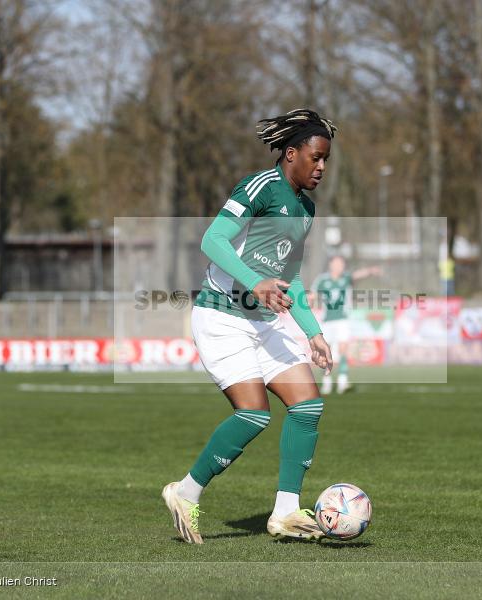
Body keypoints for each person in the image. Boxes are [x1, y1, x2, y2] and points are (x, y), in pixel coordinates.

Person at [162, 109, 336, 544]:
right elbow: (213, 240)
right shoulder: (259, 187)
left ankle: (285, 512)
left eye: (326, 159)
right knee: (255, 413)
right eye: (315, 157)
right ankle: (186, 492)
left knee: (308, 405)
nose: (321, 167)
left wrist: (313, 332)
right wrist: (254, 281)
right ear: (291, 153)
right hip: (222, 317)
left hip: (264, 322)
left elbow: (291, 276)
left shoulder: (305, 209)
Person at [312, 256, 381, 394]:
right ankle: (327, 383)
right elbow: (312, 295)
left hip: (343, 320)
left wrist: (370, 271)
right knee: (326, 351)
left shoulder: (346, 278)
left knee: (343, 349)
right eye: (337, 263)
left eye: (342, 264)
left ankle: (343, 382)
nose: (339, 266)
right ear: (331, 264)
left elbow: (358, 275)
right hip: (327, 321)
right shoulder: (322, 280)